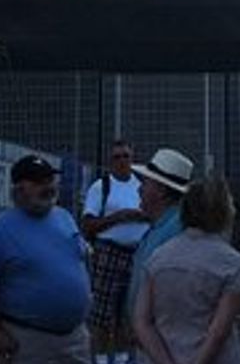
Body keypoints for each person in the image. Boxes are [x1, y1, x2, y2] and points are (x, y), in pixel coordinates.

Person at [0, 155, 92, 364]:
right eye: (38, 182)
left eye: (50, 180)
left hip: (75, 339)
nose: (48, 187)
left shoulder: (64, 217)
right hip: (27, 341)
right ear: (18, 189)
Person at [133, 176, 240, 364]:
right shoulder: (232, 263)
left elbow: (142, 322)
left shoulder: (157, 257)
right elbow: (218, 331)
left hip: (164, 352)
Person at [84, 140, 150, 364]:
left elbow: (155, 214)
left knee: (128, 314)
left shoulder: (141, 186)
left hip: (137, 254)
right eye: (117, 157)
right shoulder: (101, 187)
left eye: (126, 156)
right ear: (109, 162)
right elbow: (88, 225)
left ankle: (122, 359)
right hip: (108, 253)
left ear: (133, 159)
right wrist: (118, 217)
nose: (122, 161)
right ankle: (101, 359)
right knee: (102, 316)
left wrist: (141, 217)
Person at [125, 149, 195, 317]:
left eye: (145, 183)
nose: (139, 189)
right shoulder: (163, 226)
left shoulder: (177, 231)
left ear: (161, 191)